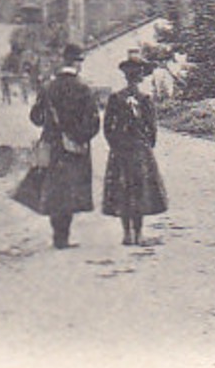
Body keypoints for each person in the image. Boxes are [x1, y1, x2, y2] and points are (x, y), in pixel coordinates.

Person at [12, 43, 100, 248]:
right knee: (70, 191)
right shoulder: (83, 88)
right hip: (74, 148)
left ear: (63, 61)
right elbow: (93, 122)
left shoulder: (49, 87)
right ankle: (65, 237)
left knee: (55, 190)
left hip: (52, 146)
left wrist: (51, 125)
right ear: (77, 64)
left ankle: (58, 237)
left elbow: (36, 117)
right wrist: (80, 138)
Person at [102, 50, 169, 245]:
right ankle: (137, 233)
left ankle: (127, 234)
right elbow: (152, 128)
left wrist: (116, 143)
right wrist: (147, 144)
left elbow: (108, 127)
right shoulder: (145, 99)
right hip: (139, 150)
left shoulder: (116, 98)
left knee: (124, 190)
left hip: (122, 150)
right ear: (140, 77)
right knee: (138, 190)